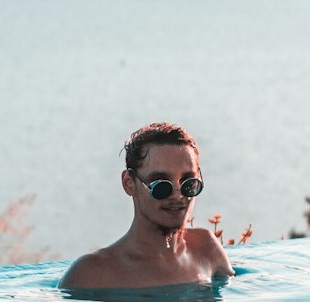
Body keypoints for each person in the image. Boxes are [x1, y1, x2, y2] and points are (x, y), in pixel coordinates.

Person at [59, 122, 235, 291]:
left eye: (188, 183)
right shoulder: (91, 274)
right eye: (161, 185)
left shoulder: (206, 249)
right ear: (129, 183)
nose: (177, 195)